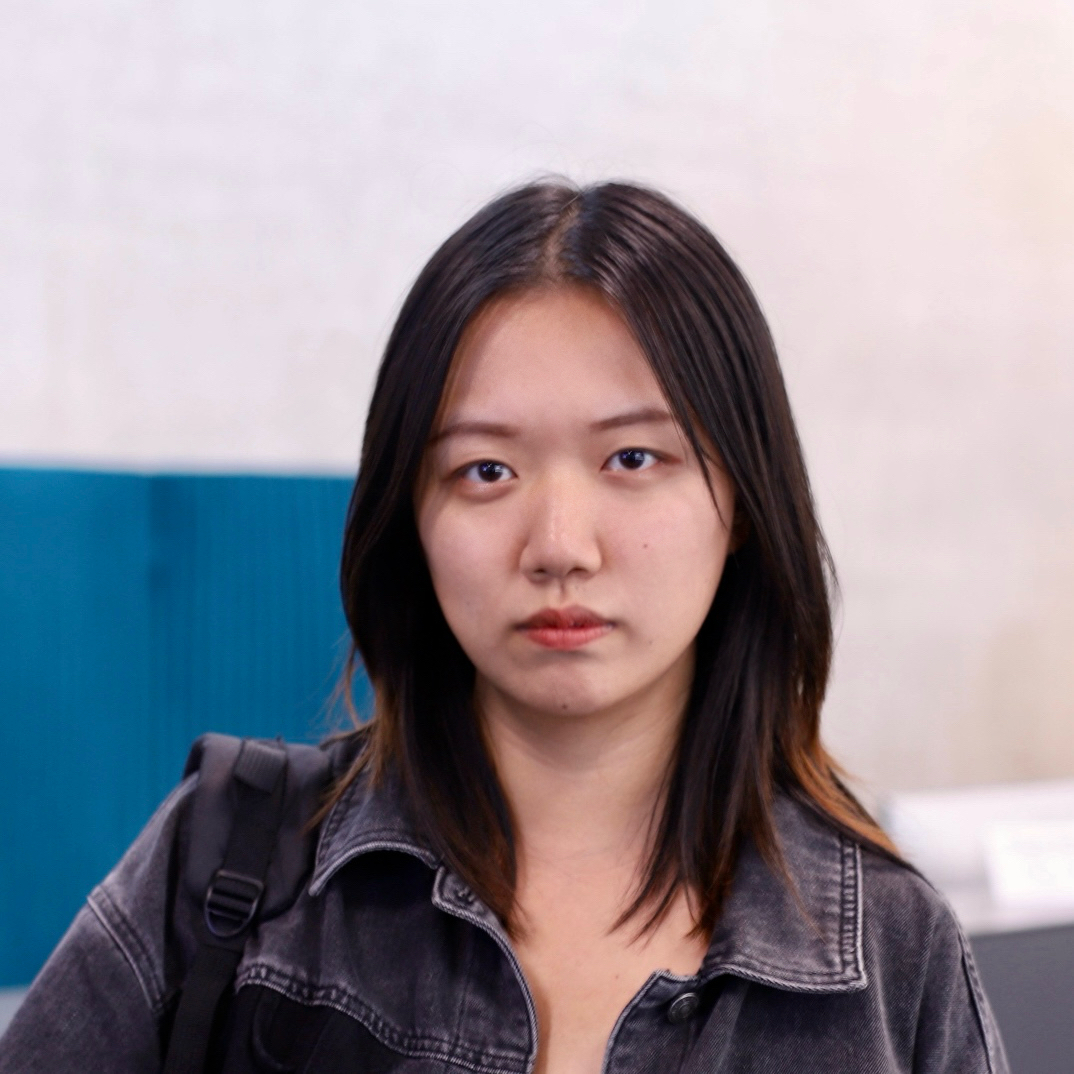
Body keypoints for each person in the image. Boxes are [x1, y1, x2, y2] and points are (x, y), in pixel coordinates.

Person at [0, 181, 1008, 1074]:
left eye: (633, 459)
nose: (560, 546)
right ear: (413, 515)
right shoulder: (228, 866)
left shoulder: (893, 952)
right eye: (485, 471)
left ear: (740, 501)